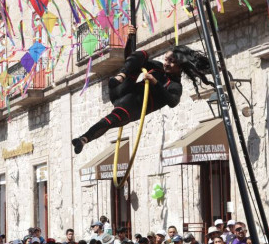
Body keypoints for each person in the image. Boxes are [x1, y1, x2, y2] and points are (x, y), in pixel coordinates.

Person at [72, 32, 213, 154]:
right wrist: (129, 40)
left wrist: (155, 83)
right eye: (166, 59)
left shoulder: (175, 86)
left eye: (172, 62)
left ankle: (83, 139)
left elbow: (172, 102)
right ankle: (121, 75)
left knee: (109, 121)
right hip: (120, 90)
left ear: (180, 65)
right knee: (142, 55)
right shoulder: (157, 68)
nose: (166, 64)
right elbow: (131, 59)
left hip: (130, 108)